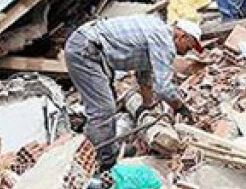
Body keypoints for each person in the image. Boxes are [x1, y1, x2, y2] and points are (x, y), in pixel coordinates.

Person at [64, 15, 203, 173]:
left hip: (90, 48)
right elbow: (163, 88)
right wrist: (180, 107)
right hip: (86, 50)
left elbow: (144, 74)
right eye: (189, 46)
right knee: (103, 109)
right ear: (182, 36)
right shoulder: (164, 41)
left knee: (105, 104)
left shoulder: (157, 34)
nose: (187, 52)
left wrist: (146, 106)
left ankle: (104, 149)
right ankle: (103, 164)